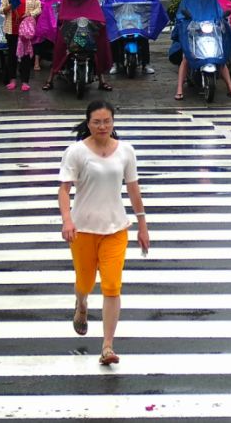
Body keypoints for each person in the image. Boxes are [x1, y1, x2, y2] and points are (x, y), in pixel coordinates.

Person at [58, 100, 149, 366]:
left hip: (115, 229)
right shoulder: (76, 152)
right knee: (85, 283)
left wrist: (142, 224)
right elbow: (64, 190)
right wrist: (67, 220)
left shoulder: (125, 151)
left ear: (113, 123)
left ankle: (107, 346)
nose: (102, 126)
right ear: (88, 123)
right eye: (97, 122)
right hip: (83, 230)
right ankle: (81, 304)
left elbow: (133, 189)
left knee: (111, 286)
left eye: (107, 121)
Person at [172, 0, 231, 100]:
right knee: (186, 58)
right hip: (193, 33)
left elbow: (218, 13)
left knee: (221, 58)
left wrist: (222, 20)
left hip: (210, 33)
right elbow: (181, 14)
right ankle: (179, 89)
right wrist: (186, 21)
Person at [45, 0, 114, 91]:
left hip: (88, 31)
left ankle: (102, 80)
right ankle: (50, 79)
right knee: (60, 45)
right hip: (70, 32)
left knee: (99, 44)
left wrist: (99, 23)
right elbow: (63, 16)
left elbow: (97, 15)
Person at [104, 0, 168, 76]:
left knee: (143, 38)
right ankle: (115, 63)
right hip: (121, 21)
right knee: (114, 39)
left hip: (137, 20)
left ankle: (146, 64)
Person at [0, 0, 43, 91]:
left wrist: (30, 14)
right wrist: (9, 7)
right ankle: (12, 79)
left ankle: (25, 81)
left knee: (25, 56)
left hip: (25, 31)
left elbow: (39, 7)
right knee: (12, 55)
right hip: (11, 29)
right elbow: (1, 10)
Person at [32, 0, 65, 72]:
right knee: (39, 37)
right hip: (42, 16)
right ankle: (36, 61)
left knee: (56, 35)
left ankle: (56, 60)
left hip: (54, 15)